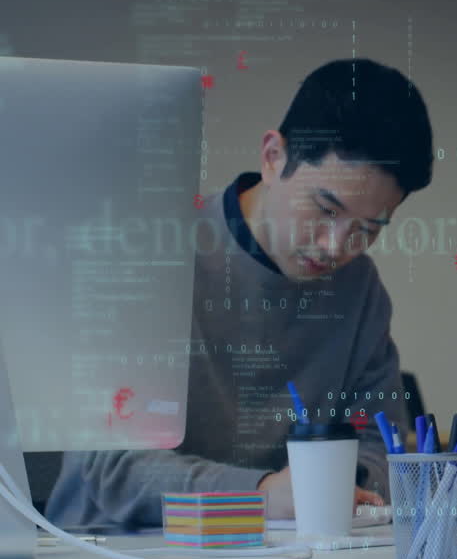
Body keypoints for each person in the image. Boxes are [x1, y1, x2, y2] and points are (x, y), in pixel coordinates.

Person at [46, 58, 432, 528]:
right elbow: (107, 469)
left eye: (368, 228)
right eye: (325, 208)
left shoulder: (359, 289)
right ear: (273, 157)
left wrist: (345, 487)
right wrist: (262, 495)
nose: (336, 247)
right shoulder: (147, 253)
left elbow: (381, 445)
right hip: (117, 556)